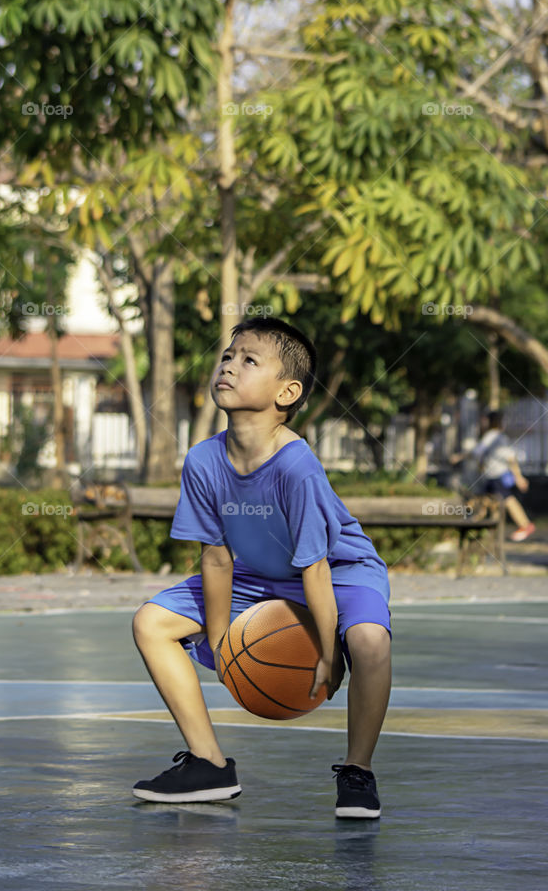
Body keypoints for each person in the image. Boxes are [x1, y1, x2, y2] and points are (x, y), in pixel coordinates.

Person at [131, 316, 392, 820]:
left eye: (249, 360)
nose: (229, 365)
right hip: (257, 573)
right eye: (228, 356)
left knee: (369, 642)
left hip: (338, 569)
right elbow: (215, 558)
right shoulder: (203, 461)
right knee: (150, 623)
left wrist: (326, 650)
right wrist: (223, 640)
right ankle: (209, 763)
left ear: (287, 391)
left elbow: (315, 567)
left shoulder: (296, 464)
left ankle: (357, 772)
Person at [467, 408, 535, 542]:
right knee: (487, 501)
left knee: (507, 500)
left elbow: (509, 458)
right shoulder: (499, 437)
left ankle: (525, 525)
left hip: (496, 476)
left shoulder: (493, 436)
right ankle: (481, 529)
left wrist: (519, 478)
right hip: (492, 476)